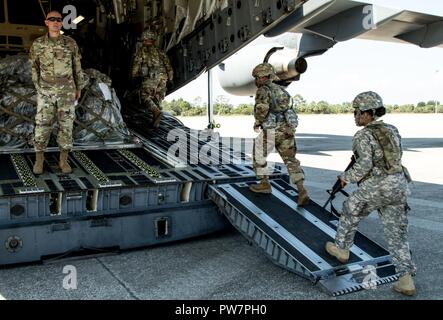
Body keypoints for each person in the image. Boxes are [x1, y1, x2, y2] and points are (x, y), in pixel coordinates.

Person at [325, 91, 417, 296]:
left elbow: (364, 164)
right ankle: (406, 280)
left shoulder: (363, 135)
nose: (355, 115)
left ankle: (341, 249)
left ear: (367, 113)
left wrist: (345, 178)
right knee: (397, 234)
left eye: (357, 112)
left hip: (377, 186)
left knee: (350, 211)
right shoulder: (392, 130)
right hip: (398, 185)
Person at [30, 11, 87, 175]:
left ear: (61, 23)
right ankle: (39, 160)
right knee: (42, 125)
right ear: (46, 22)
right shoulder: (38, 44)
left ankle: (63, 160)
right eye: (51, 19)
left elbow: (77, 67)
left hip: (66, 92)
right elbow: (34, 67)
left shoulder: (70, 43)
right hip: (46, 92)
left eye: (58, 20)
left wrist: (78, 87)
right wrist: (38, 88)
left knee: (66, 125)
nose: (55, 22)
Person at [248, 63, 309, 206]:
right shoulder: (282, 90)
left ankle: (264, 184)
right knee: (291, 161)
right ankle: (302, 191)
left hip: (272, 131)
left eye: (257, 77)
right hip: (287, 130)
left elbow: (262, 109)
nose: (256, 81)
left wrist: (257, 122)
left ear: (263, 77)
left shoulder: (264, 90)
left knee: (258, 153)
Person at [131, 29, 173, 128]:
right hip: (163, 78)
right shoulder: (161, 51)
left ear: (145, 39)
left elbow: (136, 64)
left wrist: (133, 77)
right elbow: (168, 66)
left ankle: (156, 112)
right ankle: (155, 123)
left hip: (151, 77)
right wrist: (170, 79)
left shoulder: (143, 50)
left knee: (144, 96)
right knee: (157, 97)